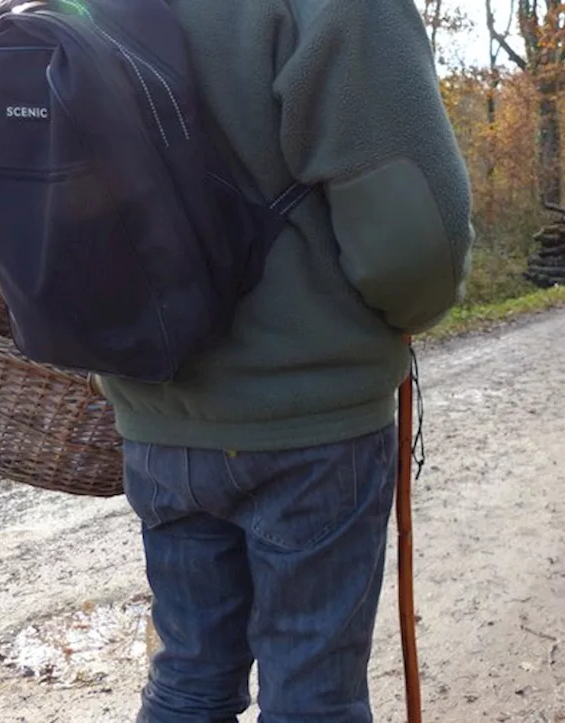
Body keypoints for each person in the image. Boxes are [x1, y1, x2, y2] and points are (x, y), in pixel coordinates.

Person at [92, 0, 475, 719]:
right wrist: (411, 312)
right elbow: (415, 238)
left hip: (154, 414)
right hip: (311, 423)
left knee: (187, 678)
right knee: (313, 692)